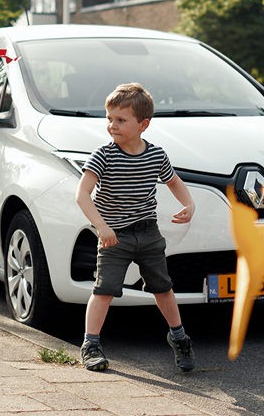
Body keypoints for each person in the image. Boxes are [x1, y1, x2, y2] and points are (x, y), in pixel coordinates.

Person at [75, 82, 197, 372]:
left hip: (148, 232)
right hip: (114, 237)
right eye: (109, 119)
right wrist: (103, 228)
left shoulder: (155, 155)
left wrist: (189, 205)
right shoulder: (103, 155)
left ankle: (179, 338)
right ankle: (90, 344)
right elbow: (82, 195)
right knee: (104, 291)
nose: (112, 126)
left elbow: (174, 181)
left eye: (120, 120)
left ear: (143, 124)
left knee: (163, 289)